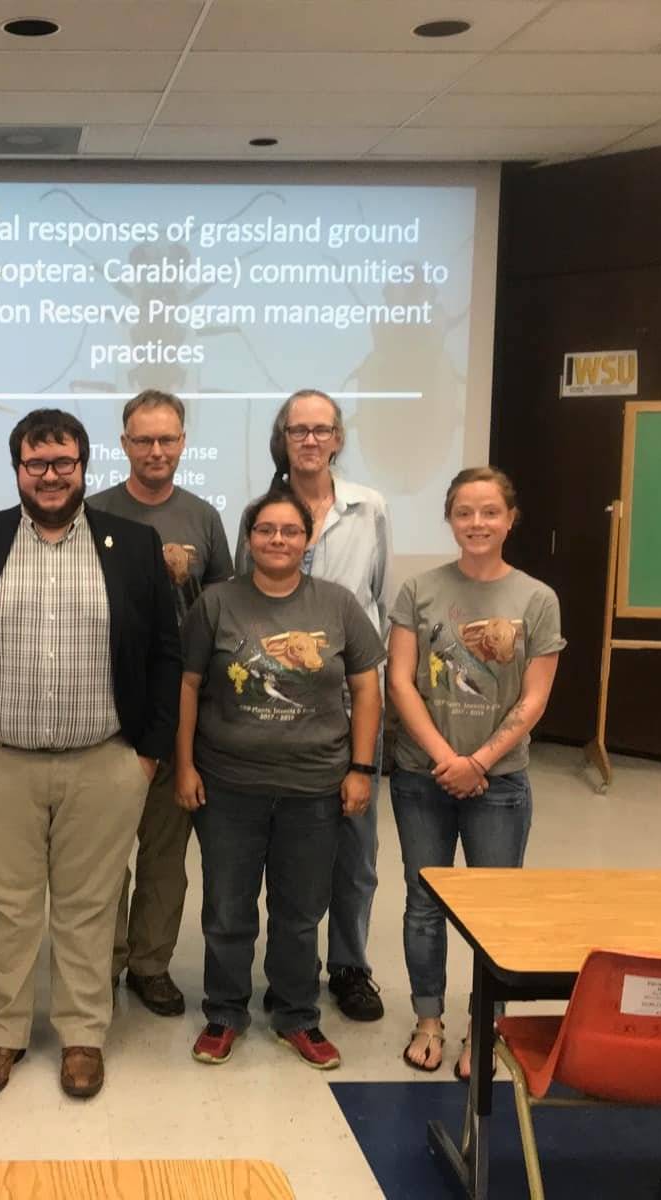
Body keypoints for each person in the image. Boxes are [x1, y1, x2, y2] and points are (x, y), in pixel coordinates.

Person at [0, 408, 180, 1100]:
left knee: (89, 904)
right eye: (36, 464)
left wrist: (147, 756)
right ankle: (3, 1035)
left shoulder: (132, 544)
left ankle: (81, 1037)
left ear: (83, 466)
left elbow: (165, 652)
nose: (49, 476)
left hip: (105, 760)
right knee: (10, 907)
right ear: (16, 469)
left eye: (63, 462)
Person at [180, 487, 383, 1070]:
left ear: (307, 539)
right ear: (248, 540)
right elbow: (188, 685)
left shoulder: (338, 605)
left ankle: (296, 1014)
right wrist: (187, 765)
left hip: (314, 787)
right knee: (227, 908)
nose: (277, 540)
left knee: (299, 911)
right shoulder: (217, 604)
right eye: (265, 530)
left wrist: (361, 768)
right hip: (228, 786)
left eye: (289, 531)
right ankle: (224, 1012)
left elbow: (366, 687)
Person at [387, 467, 563, 1077]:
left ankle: (483, 1028)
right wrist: (445, 758)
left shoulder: (537, 599)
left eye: (490, 512)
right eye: (465, 512)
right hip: (422, 776)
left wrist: (480, 762)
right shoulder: (418, 590)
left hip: (501, 781)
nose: (477, 524)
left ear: (511, 519)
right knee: (423, 902)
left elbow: (535, 698)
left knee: (493, 911)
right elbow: (400, 683)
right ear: (449, 519)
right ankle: (429, 1018)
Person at [236, 388, 394, 1023]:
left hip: (351, 705)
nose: (308, 439)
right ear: (283, 438)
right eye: (296, 429)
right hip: (279, 713)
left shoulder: (370, 508)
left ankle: (350, 966)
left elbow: (377, 599)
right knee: (284, 852)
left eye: (320, 429)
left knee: (355, 848)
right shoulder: (261, 512)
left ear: (337, 438)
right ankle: (281, 971)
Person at [86, 389, 231, 1017]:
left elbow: (225, 610)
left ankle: (150, 964)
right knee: (101, 851)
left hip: (179, 711)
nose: (155, 451)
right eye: (143, 440)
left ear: (182, 443)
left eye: (167, 439)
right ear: (123, 445)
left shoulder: (203, 516)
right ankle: (103, 963)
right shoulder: (91, 512)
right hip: (105, 708)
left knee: (165, 852)